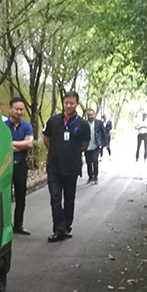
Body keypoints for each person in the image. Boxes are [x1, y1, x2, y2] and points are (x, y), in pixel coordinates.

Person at [42, 92, 90, 242]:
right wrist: (57, 152)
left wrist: (71, 152)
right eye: (66, 103)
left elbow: (84, 144)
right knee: (55, 198)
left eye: (72, 103)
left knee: (69, 199)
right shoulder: (54, 121)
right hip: (54, 166)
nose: (68, 106)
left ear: (77, 104)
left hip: (71, 167)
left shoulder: (82, 124)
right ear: (63, 103)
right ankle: (59, 229)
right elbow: (46, 140)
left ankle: (67, 226)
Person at [5, 97, 34, 235]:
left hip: (21, 165)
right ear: (10, 108)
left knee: (21, 196)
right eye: (16, 109)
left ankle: (18, 225)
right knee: (5, 196)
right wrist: (20, 144)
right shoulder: (3, 127)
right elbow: (3, 146)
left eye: (21, 109)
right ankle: (5, 225)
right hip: (5, 165)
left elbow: (29, 144)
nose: (19, 112)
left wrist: (12, 144)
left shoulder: (27, 126)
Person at [84, 109, 106, 184]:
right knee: (88, 162)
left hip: (96, 146)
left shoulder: (99, 123)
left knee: (95, 161)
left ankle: (95, 176)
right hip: (87, 147)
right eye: (88, 115)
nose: (90, 116)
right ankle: (90, 176)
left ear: (94, 115)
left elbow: (103, 132)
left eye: (91, 115)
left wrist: (105, 143)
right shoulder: (84, 124)